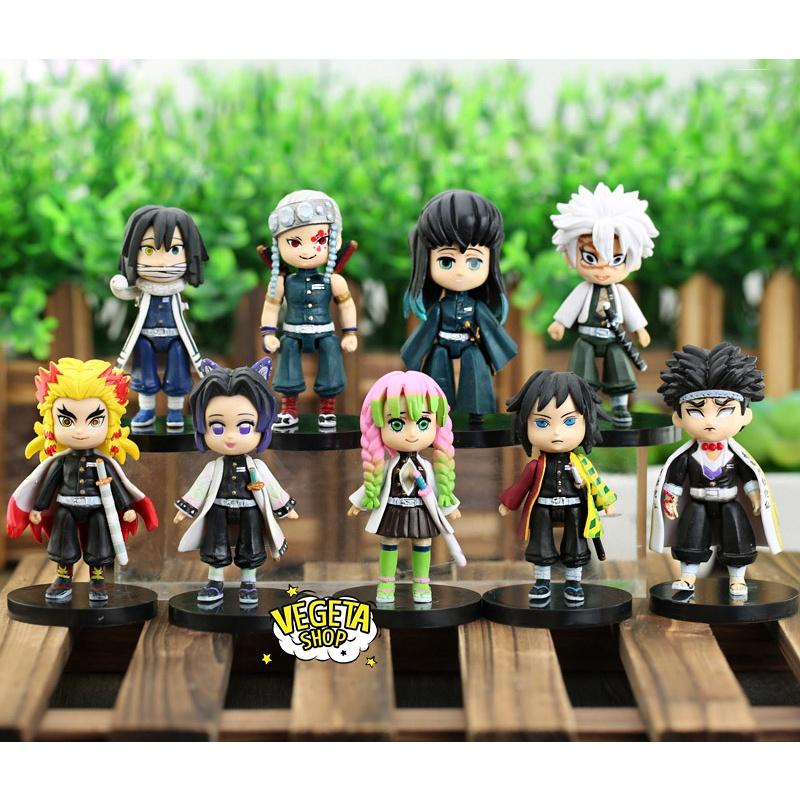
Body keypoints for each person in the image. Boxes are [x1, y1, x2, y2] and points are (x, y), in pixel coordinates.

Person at [7, 358, 158, 602]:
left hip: (97, 508)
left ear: (110, 423)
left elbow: (116, 485)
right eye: (67, 421)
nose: (80, 431)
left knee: (99, 543)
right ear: (51, 422)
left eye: (94, 421)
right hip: (66, 507)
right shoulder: (61, 463)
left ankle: (97, 580)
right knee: (62, 543)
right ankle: (63, 578)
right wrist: (38, 507)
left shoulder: (103, 463)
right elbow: (49, 485)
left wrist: (127, 507)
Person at [650, 342, 781, 598]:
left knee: (737, 536)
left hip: (728, 501)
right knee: (691, 535)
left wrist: (755, 495)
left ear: (745, 415)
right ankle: (688, 575)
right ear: (678, 418)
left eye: (724, 411)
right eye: (696, 412)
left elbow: (748, 477)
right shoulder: (687, 457)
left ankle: (737, 578)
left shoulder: (736, 456)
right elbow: (675, 480)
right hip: (697, 502)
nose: (710, 421)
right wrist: (670, 498)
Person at [173, 357, 299, 604]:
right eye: (217, 427)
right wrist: (185, 509)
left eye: (244, 427)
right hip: (218, 509)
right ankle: (215, 582)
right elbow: (199, 488)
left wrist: (285, 508)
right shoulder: (213, 467)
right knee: (215, 543)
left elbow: (272, 487)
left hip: (250, 509)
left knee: (251, 544)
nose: (230, 438)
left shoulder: (257, 467)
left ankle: (249, 583)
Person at [499, 370, 617, 603]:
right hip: (543, 507)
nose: (556, 433)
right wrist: (509, 503)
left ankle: (574, 583)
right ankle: (542, 581)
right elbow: (521, 486)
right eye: (542, 423)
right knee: (540, 543)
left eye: (569, 421)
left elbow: (597, 484)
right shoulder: (536, 466)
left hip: (574, 507)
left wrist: (606, 503)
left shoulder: (582, 465)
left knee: (576, 543)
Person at [348, 370, 464, 604]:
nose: (411, 434)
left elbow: (439, 488)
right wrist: (358, 503)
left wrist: (450, 507)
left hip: (420, 511)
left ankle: (421, 585)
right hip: (393, 509)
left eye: (423, 423)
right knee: (389, 543)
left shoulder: (427, 467)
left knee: (423, 543)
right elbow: (374, 480)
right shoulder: (387, 466)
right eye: (397, 423)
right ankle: (385, 585)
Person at [401, 189, 517, 422]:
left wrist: (497, 352)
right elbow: (425, 333)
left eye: (474, 261)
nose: (461, 271)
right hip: (442, 344)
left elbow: (491, 331)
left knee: (476, 363)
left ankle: (478, 413)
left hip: (469, 343)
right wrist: (413, 356)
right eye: (446, 261)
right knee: (437, 364)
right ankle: (436, 411)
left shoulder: (476, 308)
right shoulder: (439, 308)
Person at [548, 183, 658, 426]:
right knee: (582, 372)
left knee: (620, 369)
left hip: (613, 338)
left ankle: (619, 407)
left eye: (616, 259)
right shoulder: (583, 290)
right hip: (587, 337)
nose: (603, 268)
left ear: (634, 261)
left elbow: (632, 313)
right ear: (569, 256)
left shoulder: (620, 292)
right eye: (590, 257)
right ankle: (586, 406)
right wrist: (559, 323)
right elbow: (570, 308)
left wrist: (640, 329)